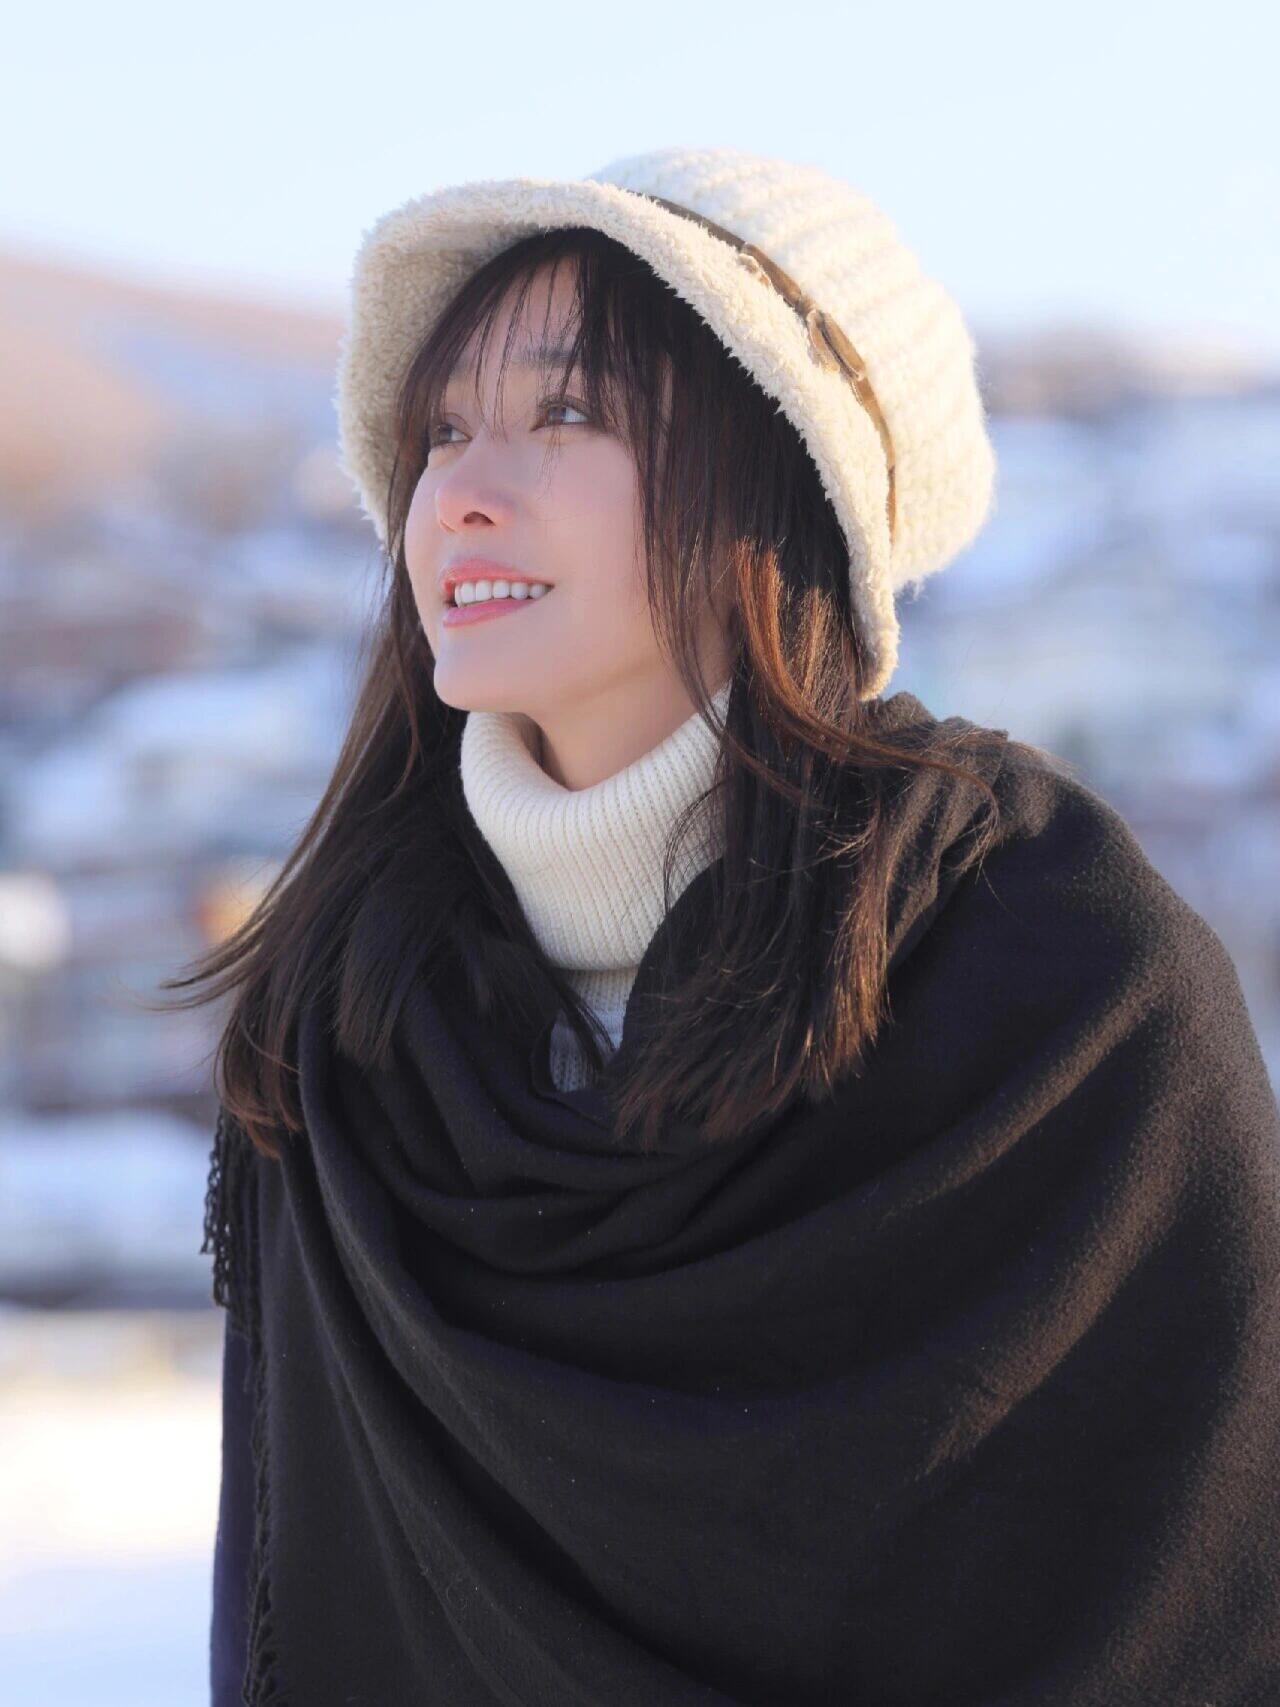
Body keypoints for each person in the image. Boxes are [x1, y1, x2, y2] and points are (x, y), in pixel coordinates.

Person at [168, 148, 1279, 1704]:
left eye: (570, 412)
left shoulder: (1070, 987)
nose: (459, 494)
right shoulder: (344, 1027)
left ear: (782, 477)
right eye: (443, 432)